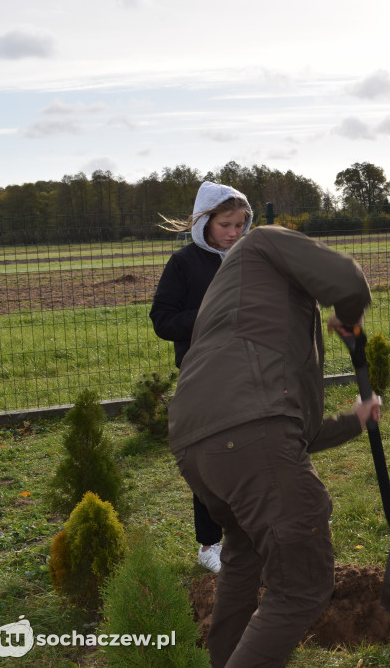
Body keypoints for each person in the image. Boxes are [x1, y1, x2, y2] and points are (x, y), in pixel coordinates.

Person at [167, 225, 381, 667]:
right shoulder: (263, 241)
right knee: (301, 585)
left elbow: (291, 431)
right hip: (246, 433)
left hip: (196, 443)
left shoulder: (247, 312)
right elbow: (347, 279)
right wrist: (347, 316)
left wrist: (353, 422)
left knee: (243, 552)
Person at [149, 180, 253, 573]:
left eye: (241, 224)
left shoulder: (251, 258)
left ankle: (246, 533)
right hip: (203, 381)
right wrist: (210, 318)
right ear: (204, 222)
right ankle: (210, 544)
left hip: (248, 374)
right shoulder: (184, 264)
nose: (234, 232)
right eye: (226, 224)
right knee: (210, 461)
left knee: (249, 457)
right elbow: (163, 320)